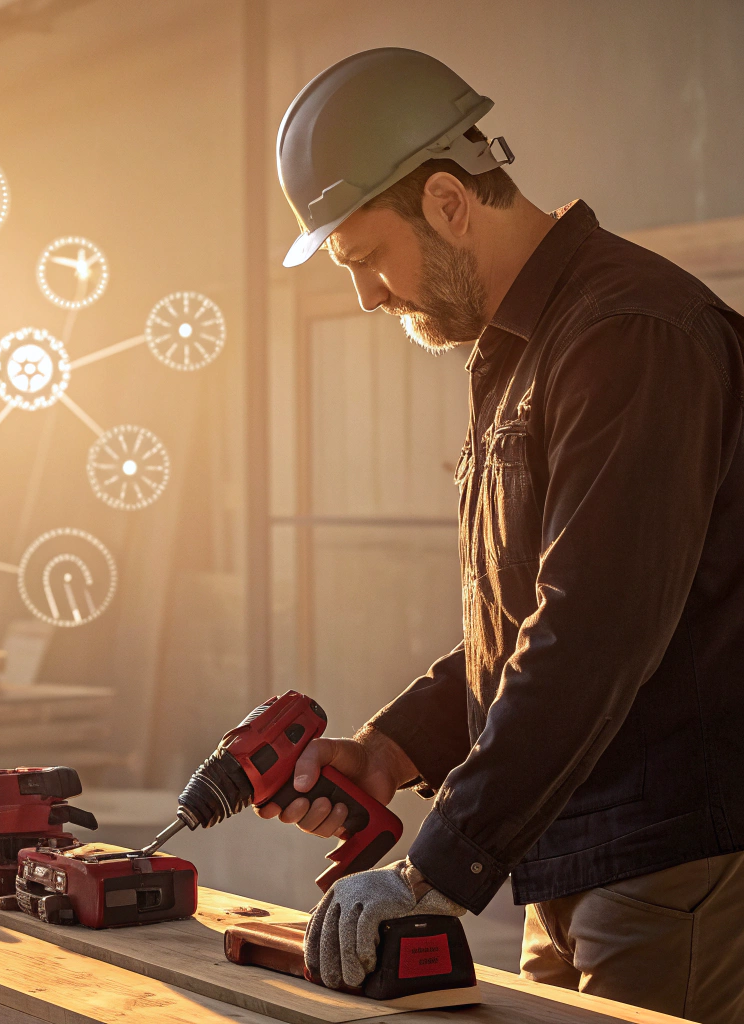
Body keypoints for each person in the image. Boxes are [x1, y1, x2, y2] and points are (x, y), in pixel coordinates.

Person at [265, 47, 744, 1023]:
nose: (365, 295)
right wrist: (392, 752)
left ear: (446, 201)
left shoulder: (633, 334)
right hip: (571, 844)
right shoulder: (528, 350)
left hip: (669, 852)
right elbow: (527, 619)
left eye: (365, 256)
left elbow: (593, 631)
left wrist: (436, 866)